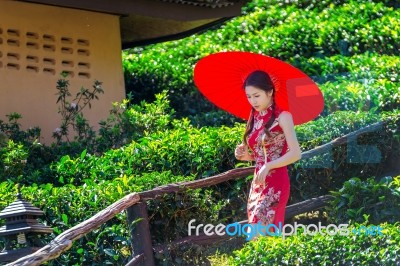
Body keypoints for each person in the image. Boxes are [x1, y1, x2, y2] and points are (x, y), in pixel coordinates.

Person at [234, 70, 302, 240]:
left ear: (270, 92)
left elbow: (296, 153)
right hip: (258, 183)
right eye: (249, 96)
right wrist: (245, 157)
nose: (252, 101)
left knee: (257, 235)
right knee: (262, 237)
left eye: (256, 95)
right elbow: (260, 156)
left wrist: (269, 165)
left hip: (276, 183)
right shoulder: (255, 118)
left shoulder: (283, 117)